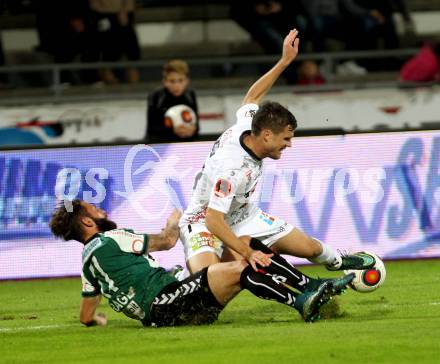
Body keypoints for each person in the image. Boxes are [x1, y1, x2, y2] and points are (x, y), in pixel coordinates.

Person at [179, 29, 375, 276]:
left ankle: (339, 261)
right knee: (206, 280)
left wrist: (284, 62)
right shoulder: (231, 169)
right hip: (203, 222)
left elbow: (253, 96)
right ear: (267, 135)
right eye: (286, 138)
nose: (289, 145)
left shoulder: (249, 123)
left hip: (244, 216)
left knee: (311, 248)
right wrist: (249, 252)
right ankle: (182, 278)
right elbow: (213, 220)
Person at [49, 199, 354, 326]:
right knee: (242, 264)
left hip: (169, 307)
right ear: (88, 221)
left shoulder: (87, 262)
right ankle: (302, 300)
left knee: (246, 247)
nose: (102, 209)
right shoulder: (111, 238)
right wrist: (173, 222)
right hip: (167, 304)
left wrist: (97, 320)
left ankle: (312, 287)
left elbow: (86, 313)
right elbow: (166, 242)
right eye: (95, 209)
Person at [146, 59, 199, 143]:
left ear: (187, 81)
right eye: (172, 81)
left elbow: (196, 126)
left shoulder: (190, 95)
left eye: (180, 80)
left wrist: (192, 130)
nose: (176, 85)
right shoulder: (156, 96)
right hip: (161, 146)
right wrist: (173, 131)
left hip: (186, 145)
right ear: (164, 82)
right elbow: (151, 129)